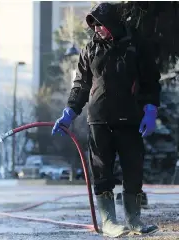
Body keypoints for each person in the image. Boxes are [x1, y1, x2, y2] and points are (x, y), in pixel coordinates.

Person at [51, 2, 161, 238]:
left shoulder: (135, 45)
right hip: (99, 119)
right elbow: (81, 84)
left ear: (112, 23)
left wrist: (150, 109)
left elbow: (151, 79)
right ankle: (109, 221)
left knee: (133, 169)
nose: (97, 29)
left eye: (101, 24)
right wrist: (70, 112)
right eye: (94, 25)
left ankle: (134, 219)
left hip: (131, 118)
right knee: (101, 170)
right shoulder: (90, 49)